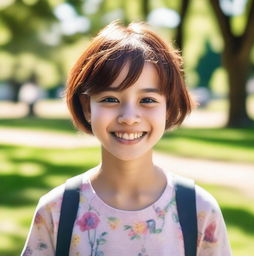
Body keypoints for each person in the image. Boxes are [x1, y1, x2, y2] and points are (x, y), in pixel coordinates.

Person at [21, 21, 231, 256]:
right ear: (87, 107)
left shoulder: (199, 211)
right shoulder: (56, 211)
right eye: (110, 99)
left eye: (148, 100)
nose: (129, 117)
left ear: (168, 108)